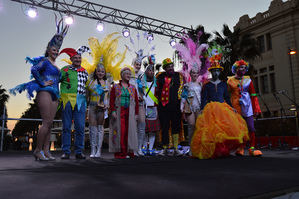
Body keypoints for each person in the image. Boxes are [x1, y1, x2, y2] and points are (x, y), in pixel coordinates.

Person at [9, 18, 69, 161]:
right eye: (54, 50)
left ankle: (46, 151)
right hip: (45, 92)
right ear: (48, 50)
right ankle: (37, 150)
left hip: (55, 94)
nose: (56, 52)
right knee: (46, 122)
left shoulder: (56, 65)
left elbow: (56, 78)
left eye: (57, 50)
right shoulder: (44, 61)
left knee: (50, 124)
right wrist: (42, 83)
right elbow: (34, 69)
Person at [191, 48, 249, 159]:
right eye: (214, 71)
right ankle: (214, 150)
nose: (216, 72)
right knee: (212, 130)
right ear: (211, 72)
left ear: (220, 71)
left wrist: (232, 108)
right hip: (211, 108)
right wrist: (202, 108)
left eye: (218, 71)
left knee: (224, 129)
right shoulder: (207, 85)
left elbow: (227, 97)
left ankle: (222, 149)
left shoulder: (223, 84)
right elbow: (204, 98)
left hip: (223, 107)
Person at [175, 34, 209, 155]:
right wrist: (181, 107)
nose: (194, 75)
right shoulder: (187, 85)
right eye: (193, 73)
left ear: (198, 74)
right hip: (190, 107)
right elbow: (183, 97)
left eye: (196, 73)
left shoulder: (201, 85)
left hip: (199, 107)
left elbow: (204, 97)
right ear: (190, 74)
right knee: (191, 126)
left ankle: (198, 147)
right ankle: (191, 147)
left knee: (199, 127)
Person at [227, 60, 262, 156]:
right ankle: (240, 148)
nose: (242, 69)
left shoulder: (248, 80)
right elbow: (226, 95)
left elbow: (253, 94)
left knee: (251, 127)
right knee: (239, 129)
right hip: (235, 107)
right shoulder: (230, 81)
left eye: (244, 67)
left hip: (247, 106)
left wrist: (256, 108)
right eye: (240, 67)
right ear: (236, 69)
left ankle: (252, 148)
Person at [59, 47, 89, 159]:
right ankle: (66, 151)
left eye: (79, 58)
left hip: (80, 101)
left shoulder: (85, 71)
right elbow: (56, 80)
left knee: (80, 127)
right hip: (67, 100)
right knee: (66, 126)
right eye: (75, 58)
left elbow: (88, 87)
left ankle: (79, 151)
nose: (77, 59)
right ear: (71, 59)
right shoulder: (65, 70)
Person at [156, 58, 184, 156]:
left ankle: (176, 148)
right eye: (168, 67)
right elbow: (157, 90)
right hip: (163, 107)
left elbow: (181, 88)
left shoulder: (178, 76)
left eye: (172, 66)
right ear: (165, 68)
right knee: (164, 127)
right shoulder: (160, 77)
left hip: (175, 106)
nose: (171, 68)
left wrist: (180, 102)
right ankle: (165, 148)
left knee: (176, 126)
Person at [109, 67, 139, 159]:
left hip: (130, 112)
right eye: (127, 74)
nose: (129, 76)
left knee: (130, 132)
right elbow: (112, 100)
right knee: (120, 132)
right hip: (119, 111)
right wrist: (113, 111)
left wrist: (136, 113)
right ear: (122, 75)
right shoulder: (116, 87)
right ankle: (120, 152)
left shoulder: (133, 88)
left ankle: (129, 152)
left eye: (130, 74)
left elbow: (136, 101)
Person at [141, 55, 160, 155]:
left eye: (152, 71)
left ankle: (151, 148)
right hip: (144, 107)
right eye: (149, 70)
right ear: (146, 71)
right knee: (144, 129)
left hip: (153, 108)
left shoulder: (157, 84)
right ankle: (144, 147)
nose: (151, 72)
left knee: (152, 130)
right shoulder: (142, 82)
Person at [129, 51, 146, 156]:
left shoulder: (142, 76)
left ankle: (139, 148)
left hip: (140, 103)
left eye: (140, 64)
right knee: (133, 126)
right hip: (131, 103)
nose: (138, 66)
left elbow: (143, 88)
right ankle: (133, 148)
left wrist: (141, 95)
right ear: (133, 63)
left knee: (142, 124)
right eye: (137, 64)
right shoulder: (129, 74)